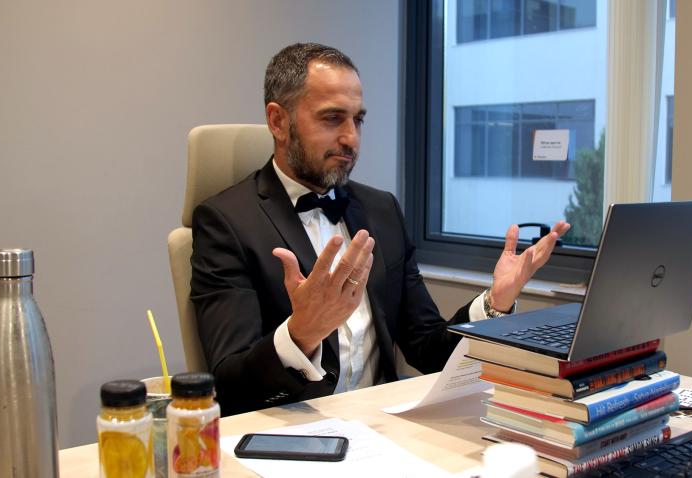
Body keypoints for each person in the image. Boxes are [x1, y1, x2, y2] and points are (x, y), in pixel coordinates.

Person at [190, 43, 571, 415]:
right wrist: (301, 334)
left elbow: (427, 349)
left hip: (383, 425)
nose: (351, 138)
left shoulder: (381, 209)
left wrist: (495, 302)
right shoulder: (226, 222)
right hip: (290, 433)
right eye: (332, 118)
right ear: (278, 121)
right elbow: (230, 384)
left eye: (357, 120)